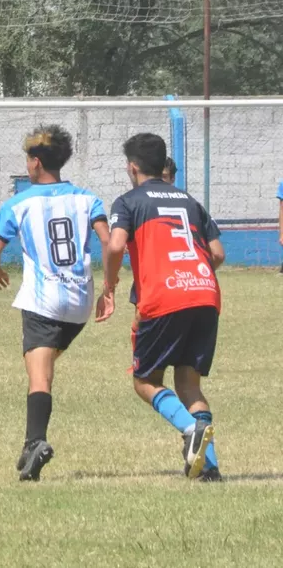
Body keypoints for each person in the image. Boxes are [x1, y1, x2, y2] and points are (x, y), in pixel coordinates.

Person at [0, 125, 112, 482]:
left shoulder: (20, 203)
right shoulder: (88, 199)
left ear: (36, 163)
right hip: (80, 302)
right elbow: (110, 241)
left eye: (28, 159)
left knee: (40, 375)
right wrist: (110, 286)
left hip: (43, 301)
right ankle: (31, 445)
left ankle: (35, 442)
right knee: (45, 364)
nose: (26, 165)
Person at [103, 133, 224, 481]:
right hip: (205, 294)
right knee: (189, 385)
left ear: (132, 167)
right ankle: (209, 468)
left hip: (165, 298)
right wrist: (193, 275)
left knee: (145, 381)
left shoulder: (128, 202)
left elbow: (114, 247)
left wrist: (109, 287)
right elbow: (217, 254)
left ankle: (191, 430)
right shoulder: (191, 202)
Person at [128, 157, 178, 370]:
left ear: (173, 179)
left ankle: (156, 362)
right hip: (147, 275)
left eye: (165, 177)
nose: (160, 181)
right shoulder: (140, 203)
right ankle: (139, 360)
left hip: (175, 276)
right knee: (140, 318)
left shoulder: (181, 203)